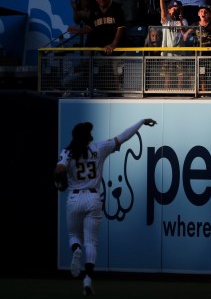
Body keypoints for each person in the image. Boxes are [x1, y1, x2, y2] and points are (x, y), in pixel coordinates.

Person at [53, 118, 157, 295]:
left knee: (73, 235)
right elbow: (123, 137)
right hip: (93, 197)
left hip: (74, 198)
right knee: (91, 242)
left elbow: (59, 171)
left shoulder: (67, 152)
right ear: (87, 138)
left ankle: (76, 250)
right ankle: (87, 279)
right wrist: (140, 122)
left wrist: (58, 183)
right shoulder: (99, 148)